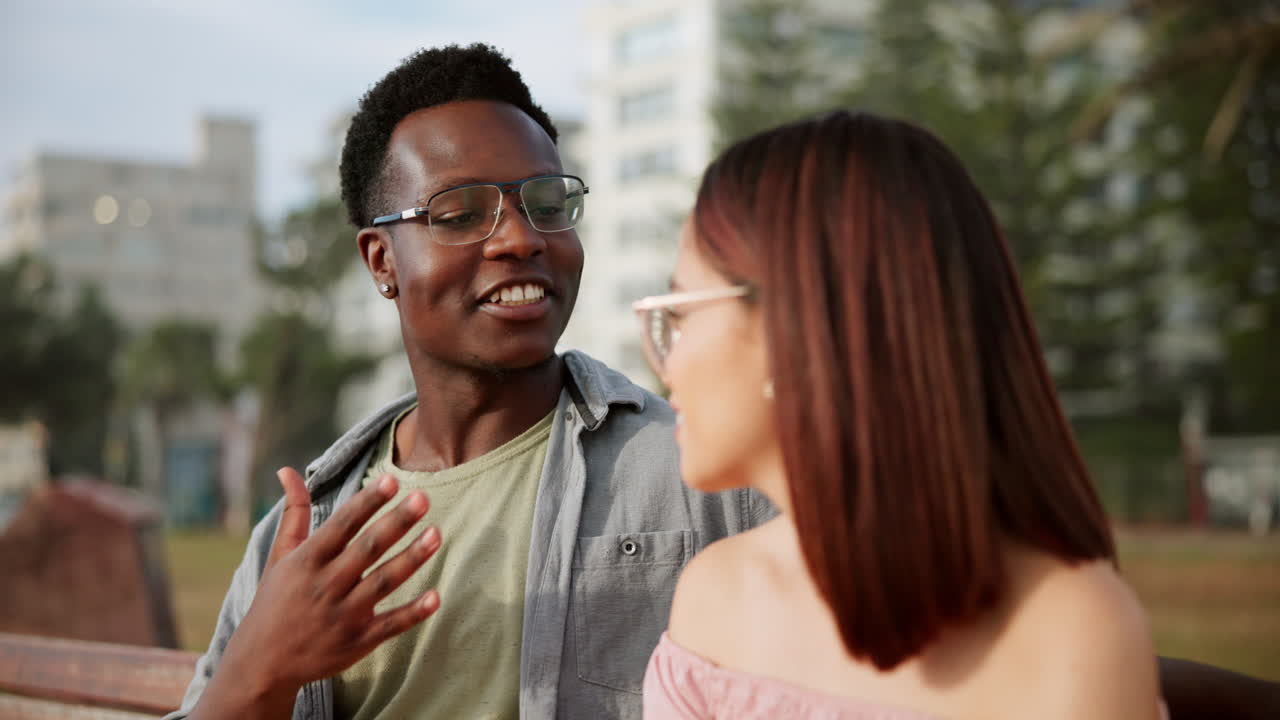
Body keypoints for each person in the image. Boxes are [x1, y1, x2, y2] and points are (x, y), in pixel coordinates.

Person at [167, 44, 768, 720]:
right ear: (380, 260)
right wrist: (256, 677)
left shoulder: (698, 475)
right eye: (459, 214)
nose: (519, 238)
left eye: (545, 202)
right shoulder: (306, 534)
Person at [636, 110, 1166, 719]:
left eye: (678, 315)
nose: (664, 366)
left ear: (795, 331)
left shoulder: (1073, 629)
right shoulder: (714, 596)